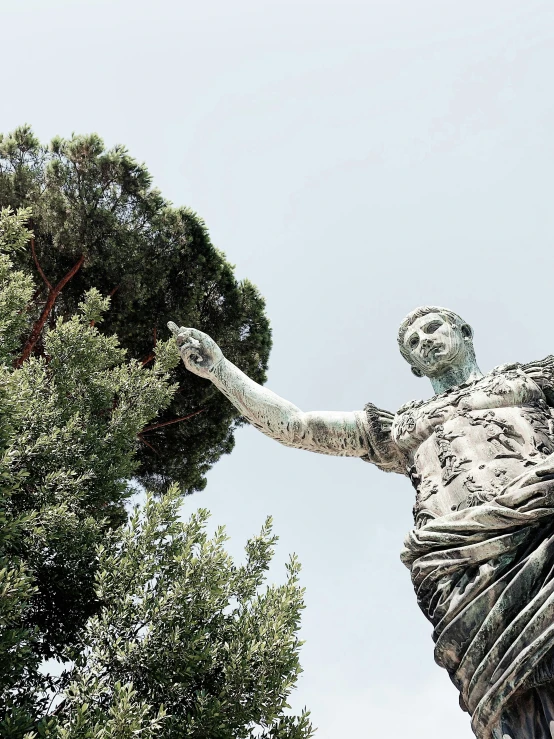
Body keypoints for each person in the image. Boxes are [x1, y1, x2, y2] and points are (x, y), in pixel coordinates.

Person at [169, 307, 554, 739]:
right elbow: (298, 426)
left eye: (432, 328)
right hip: (462, 569)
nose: (424, 340)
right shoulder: (400, 427)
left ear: (463, 331)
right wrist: (221, 371)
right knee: (514, 702)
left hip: (545, 529)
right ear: (412, 366)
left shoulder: (532, 379)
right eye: (412, 342)